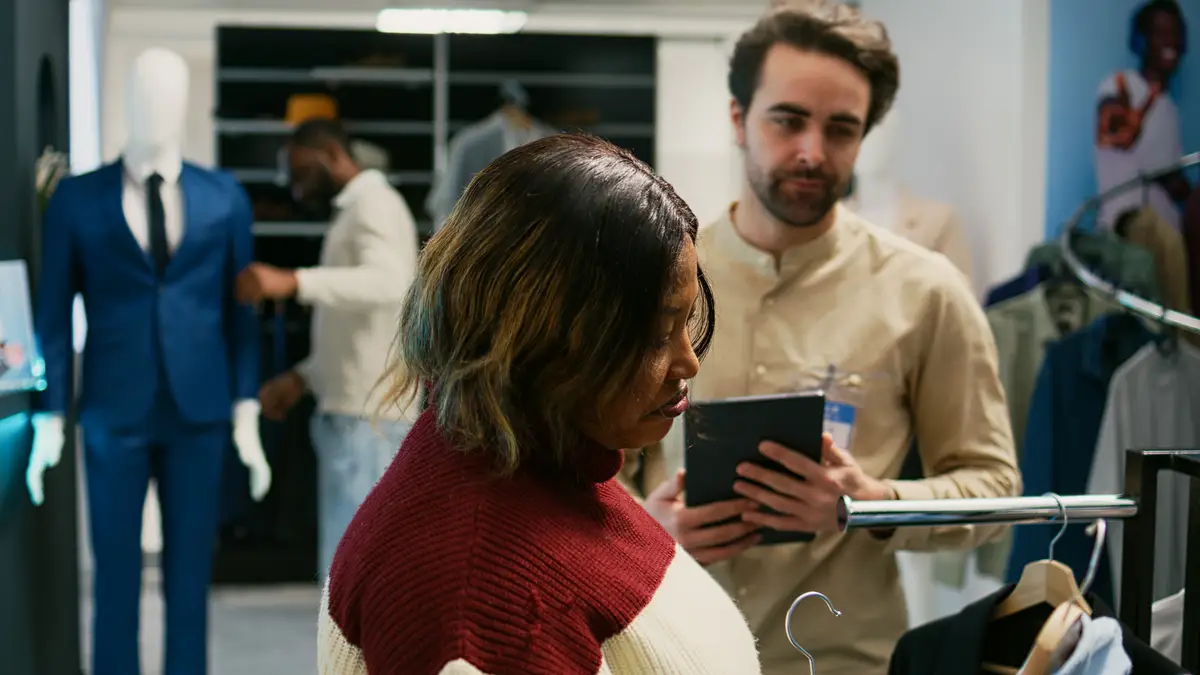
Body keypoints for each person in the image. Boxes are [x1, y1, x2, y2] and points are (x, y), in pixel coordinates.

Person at [620, 4, 1020, 674]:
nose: (812, 151)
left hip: (845, 661)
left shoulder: (927, 292)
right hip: (666, 650)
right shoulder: (649, 280)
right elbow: (587, 464)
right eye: (787, 120)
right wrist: (639, 533)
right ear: (738, 118)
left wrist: (873, 501)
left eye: (842, 129)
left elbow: (996, 490)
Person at [316, 134, 763, 675]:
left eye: (684, 323)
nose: (688, 362)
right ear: (539, 337)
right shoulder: (481, 601)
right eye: (654, 335)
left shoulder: (543, 461)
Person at [235, 118, 420, 581]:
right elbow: (354, 328)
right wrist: (304, 378)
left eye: (300, 172)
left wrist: (293, 281)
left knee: (359, 575)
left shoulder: (373, 205)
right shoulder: (353, 210)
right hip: (356, 414)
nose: (294, 187)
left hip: (370, 420)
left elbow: (390, 283)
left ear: (331, 156)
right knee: (347, 572)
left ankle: (359, 657)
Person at [1095, 0, 1191, 231]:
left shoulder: (1169, 108)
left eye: (1176, 33)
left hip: (1166, 238)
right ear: (1140, 41)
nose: (1171, 41)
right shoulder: (1119, 86)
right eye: (1160, 33)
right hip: (1127, 239)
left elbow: (1171, 181)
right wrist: (1122, 129)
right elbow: (1113, 127)